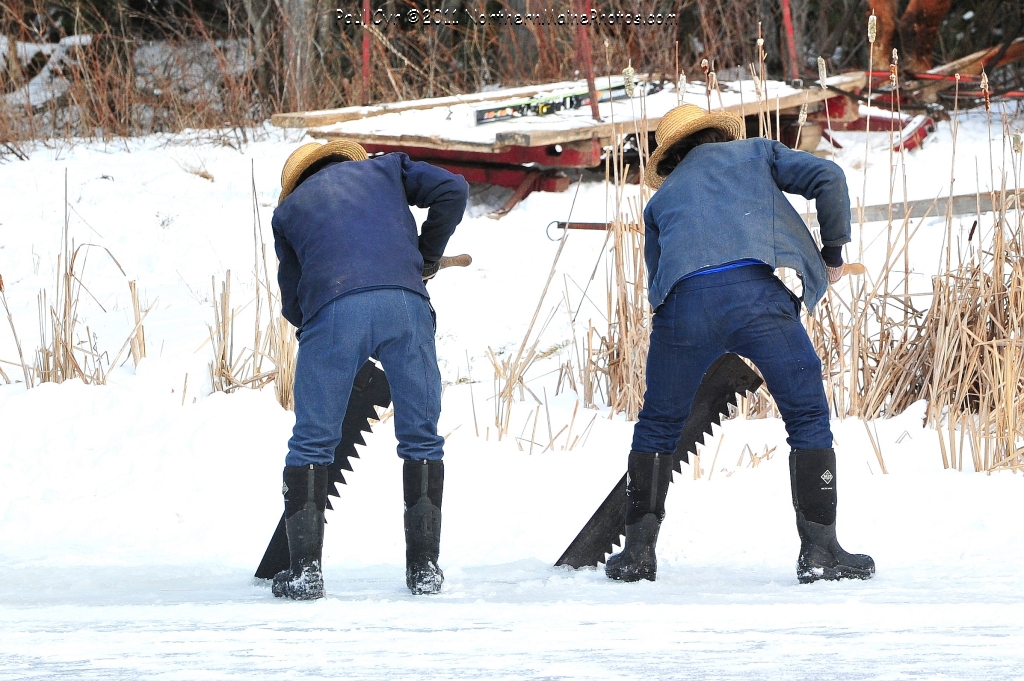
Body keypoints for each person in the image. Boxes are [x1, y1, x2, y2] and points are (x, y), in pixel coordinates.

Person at [605, 104, 874, 584]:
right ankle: (820, 553)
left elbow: (657, 282)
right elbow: (829, 177)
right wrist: (831, 252)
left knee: (658, 425)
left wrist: (686, 333)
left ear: (673, 156)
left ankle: (638, 555)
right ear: (717, 136)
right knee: (807, 415)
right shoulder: (755, 152)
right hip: (756, 299)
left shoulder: (660, 202)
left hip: (681, 309)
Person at [270, 140, 468, 599]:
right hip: (405, 305)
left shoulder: (289, 212)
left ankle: (306, 574)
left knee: (313, 442)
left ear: (299, 180)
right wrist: (425, 255)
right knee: (421, 436)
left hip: (333, 312)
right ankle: (424, 571)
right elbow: (453, 191)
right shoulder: (389, 171)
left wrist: (326, 340)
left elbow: (292, 301)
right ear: (348, 160)